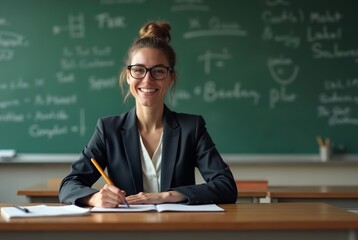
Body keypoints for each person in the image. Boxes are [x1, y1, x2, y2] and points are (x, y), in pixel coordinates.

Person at [59, 21, 237, 207]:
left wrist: (167, 196)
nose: (147, 79)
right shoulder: (108, 129)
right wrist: (94, 198)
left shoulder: (191, 128)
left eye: (158, 71)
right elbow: (69, 185)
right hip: (127, 232)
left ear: (171, 78)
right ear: (128, 76)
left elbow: (226, 186)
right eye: (138, 70)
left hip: (177, 231)